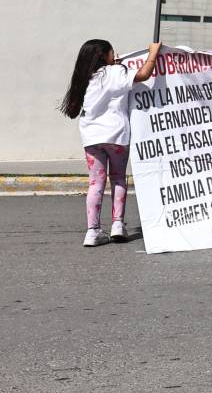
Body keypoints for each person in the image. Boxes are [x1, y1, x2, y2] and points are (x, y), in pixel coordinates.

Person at [60, 39, 163, 247]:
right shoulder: (116, 73)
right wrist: (153, 53)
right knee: (118, 179)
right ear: (104, 56)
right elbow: (144, 74)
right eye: (112, 52)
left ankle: (93, 231)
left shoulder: (85, 77)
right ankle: (117, 224)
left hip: (92, 137)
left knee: (95, 183)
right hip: (116, 136)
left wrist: (115, 66)